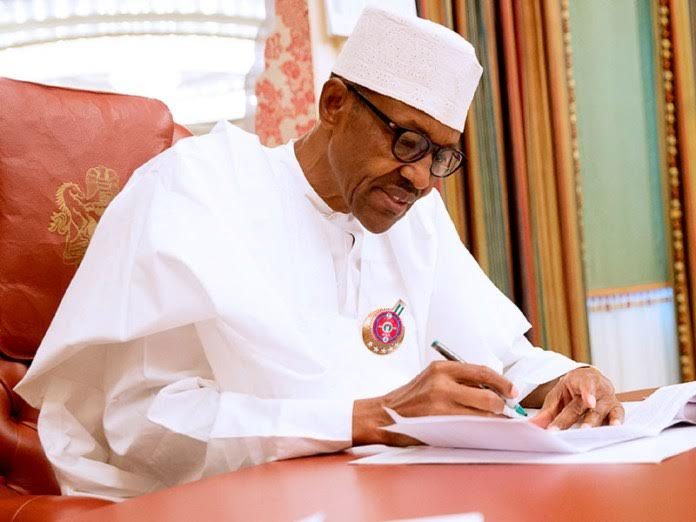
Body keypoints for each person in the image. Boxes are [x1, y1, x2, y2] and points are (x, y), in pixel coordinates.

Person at [15, 7, 622, 500]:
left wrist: (570, 380)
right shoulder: (197, 188)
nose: (421, 180)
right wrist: (369, 417)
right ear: (334, 104)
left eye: (441, 157)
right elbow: (143, 427)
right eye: (408, 142)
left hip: (393, 497)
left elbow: (499, 358)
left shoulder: (416, 217)